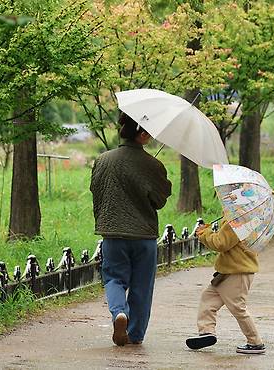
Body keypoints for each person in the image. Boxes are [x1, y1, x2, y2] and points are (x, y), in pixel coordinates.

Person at [90, 111, 172, 346]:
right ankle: (135, 334)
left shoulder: (103, 160)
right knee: (142, 287)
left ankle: (119, 313)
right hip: (143, 236)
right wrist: (162, 182)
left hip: (113, 233)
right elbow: (159, 200)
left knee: (114, 279)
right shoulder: (153, 164)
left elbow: (96, 191)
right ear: (143, 134)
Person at [185, 219, 265, 354]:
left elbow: (221, 243)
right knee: (208, 298)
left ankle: (255, 342)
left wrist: (205, 233)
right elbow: (227, 240)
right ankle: (207, 332)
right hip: (227, 272)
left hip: (237, 272)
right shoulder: (245, 219)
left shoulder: (236, 221)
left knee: (237, 307)